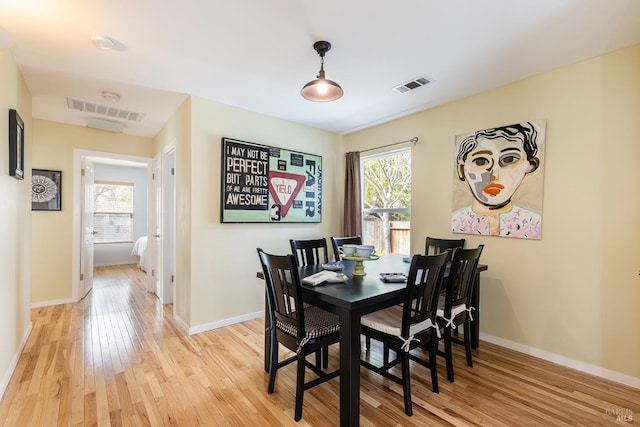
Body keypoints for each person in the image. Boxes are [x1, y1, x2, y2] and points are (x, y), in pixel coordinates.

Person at [451, 121, 543, 239]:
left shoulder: (534, 223)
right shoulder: (457, 221)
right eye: (481, 161)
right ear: (462, 170)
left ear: (530, 166)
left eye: (509, 159)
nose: (494, 174)